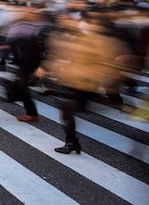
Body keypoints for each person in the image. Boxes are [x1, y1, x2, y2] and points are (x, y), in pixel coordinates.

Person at [41, 13, 126, 154]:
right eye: (88, 22)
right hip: (73, 81)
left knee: (67, 109)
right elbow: (65, 55)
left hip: (87, 84)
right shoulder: (81, 38)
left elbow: (110, 67)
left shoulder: (107, 42)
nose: (88, 25)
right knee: (65, 110)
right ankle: (71, 142)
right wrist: (49, 66)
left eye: (93, 23)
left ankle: (72, 142)